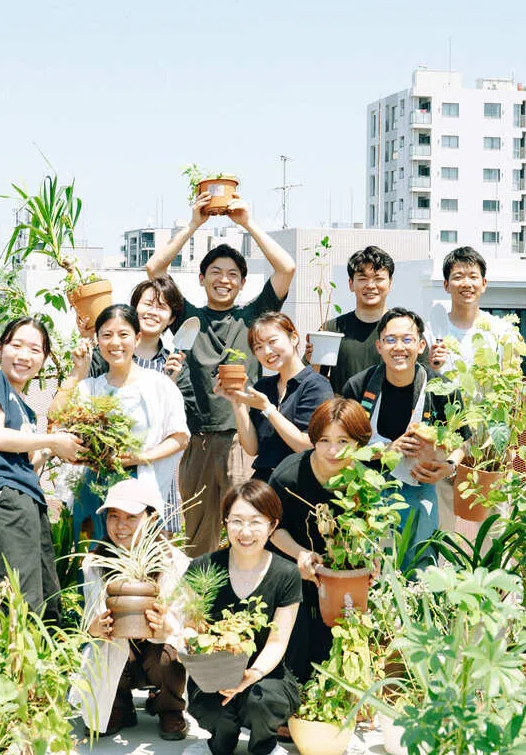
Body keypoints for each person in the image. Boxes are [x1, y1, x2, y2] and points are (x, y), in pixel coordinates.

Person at [146, 193, 296, 557]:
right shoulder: (188, 318)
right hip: (195, 442)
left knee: (247, 530)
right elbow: (155, 269)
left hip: (240, 442)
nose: (224, 280)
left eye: (232, 275)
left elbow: (287, 268)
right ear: (201, 278)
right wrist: (194, 223)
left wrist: (247, 222)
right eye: (215, 272)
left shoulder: (253, 317)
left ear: (242, 283)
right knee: (197, 540)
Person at [0, 317, 84, 621]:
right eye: (16, 345)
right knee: (12, 606)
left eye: (35, 350)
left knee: (44, 605)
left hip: (25, 501)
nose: (24, 355)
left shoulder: (25, 408)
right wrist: (51, 440)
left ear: (44, 359)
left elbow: (28, 463)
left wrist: (54, 448)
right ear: (0, 348)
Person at [178, 480, 301, 755]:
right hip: (213, 671)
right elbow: (191, 627)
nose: (245, 532)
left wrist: (250, 676)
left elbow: (277, 643)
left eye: (256, 522)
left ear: (272, 525)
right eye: (236, 521)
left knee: (262, 703)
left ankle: (264, 746)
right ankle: (218, 744)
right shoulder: (203, 567)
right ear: (225, 522)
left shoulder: (286, 574)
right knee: (215, 711)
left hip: (265, 674)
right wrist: (187, 645)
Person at [53, 304, 190, 545]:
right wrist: (77, 372)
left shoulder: (159, 385)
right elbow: (56, 417)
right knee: (93, 558)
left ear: (137, 339)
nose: (115, 342)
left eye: (123, 334)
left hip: (140, 490)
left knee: (137, 560)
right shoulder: (89, 387)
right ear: (97, 340)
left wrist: (141, 457)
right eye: (106, 335)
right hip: (93, 490)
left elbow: (180, 438)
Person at [70, 477, 191, 741]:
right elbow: (92, 613)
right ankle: (119, 706)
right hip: (120, 649)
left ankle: (169, 708)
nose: (121, 525)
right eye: (114, 516)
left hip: (157, 651)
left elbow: (183, 628)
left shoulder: (173, 561)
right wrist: (94, 628)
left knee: (169, 656)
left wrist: (166, 627)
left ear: (151, 518)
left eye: (131, 517)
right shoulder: (95, 562)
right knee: (100, 649)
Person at [342, 308, 468, 556]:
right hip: (368, 487)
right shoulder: (359, 386)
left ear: (421, 346)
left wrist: (450, 467)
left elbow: (462, 440)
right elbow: (343, 446)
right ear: (379, 346)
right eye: (390, 339)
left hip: (420, 485)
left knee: (420, 561)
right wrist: (387, 451)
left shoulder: (441, 389)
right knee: (372, 562)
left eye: (407, 339)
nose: (399, 347)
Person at [267, 397, 372, 687]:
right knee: (295, 647)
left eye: (343, 441)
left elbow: (369, 529)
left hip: (338, 575)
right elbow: (272, 528)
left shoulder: (364, 480)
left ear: (359, 442)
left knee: (333, 649)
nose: (333, 451)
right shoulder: (289, 475)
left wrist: (369, 559)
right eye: (324, 440)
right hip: (290, 568)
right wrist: (300, 554)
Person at [86, 277, 199, 528]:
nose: (153, 312)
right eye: (148, 304)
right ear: (134, 308)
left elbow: (183, 424)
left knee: (153, 540)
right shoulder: (107, 355)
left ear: (171, 318)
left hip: (156, 471)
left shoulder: (174, 364)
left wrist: (171, 381)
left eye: (162, 307)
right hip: (106, 468)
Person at [426, 246, 516, 531]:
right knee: (441, 522)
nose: (466, 283)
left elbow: (511, 388)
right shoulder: (431, 329)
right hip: (445, 437)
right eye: (458, 277)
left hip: (488, 441)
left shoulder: (500, 330)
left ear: (484, 283)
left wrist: (508, 442)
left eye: (473, 276)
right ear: (446, 285)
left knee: (494, 524)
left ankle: (493, 563)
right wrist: (430, 364)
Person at [216, 312, 332, 483]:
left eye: (272, 341)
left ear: (294, 338)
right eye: (258, 347)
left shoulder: (316, 385)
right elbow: (252, 448)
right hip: (264, 482)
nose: (267, 352)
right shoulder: (264, 387)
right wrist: (237, 402)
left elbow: (306, 446)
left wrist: (268, 409)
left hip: (299, 484)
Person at [305, 245, 397, 394]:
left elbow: (423, 377)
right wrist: (313, 361)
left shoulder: (404, 328)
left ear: (390, 283)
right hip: (343, 409)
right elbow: (310, 383)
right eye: (362, 279)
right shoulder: (332, 329)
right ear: (351, 284)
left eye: (378, 279)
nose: (370, 285)